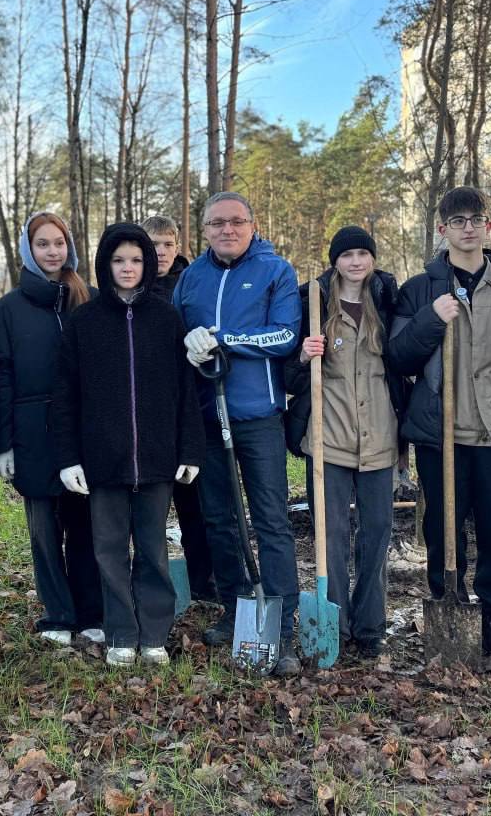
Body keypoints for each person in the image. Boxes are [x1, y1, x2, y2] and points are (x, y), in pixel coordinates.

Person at [388, 190, 491, 664]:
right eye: (458, 220)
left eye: (477, 219)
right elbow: (397, 355)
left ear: (489, 226)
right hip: (443, 435)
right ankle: (446, 606)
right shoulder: (420, 288)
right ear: (443, 230)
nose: (468, 228)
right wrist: (431, 320)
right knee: (442, 530)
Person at [51, 223, 205, 666]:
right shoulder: (85, 322)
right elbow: (65, 395)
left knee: (154, 549)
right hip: (104, 461)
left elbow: (184, 389)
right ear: (105, 264)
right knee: (109, 550)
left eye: (136, 260)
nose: (128, 268)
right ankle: (121, 632)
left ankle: (154, 632)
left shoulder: (166, 318)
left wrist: (190, 449)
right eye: (119, 260)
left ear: (149, 265)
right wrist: (68, 458)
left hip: (157, 459)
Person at [173, 191, 302, 676]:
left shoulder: (275, 271)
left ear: (252, 225)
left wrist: (227, 341)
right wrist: (187, 345)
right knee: (220, 519)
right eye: (216, 223)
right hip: (206, 417)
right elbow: (175, 331)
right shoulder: (192, 278)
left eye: (236, 222)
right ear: (203, 229)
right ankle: (236, 607)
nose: (227, 230)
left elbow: (284, 335)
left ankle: (283, 622)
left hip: (258, 415)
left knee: (271, 519)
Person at [284, 226, 408, 659]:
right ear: (334, 260)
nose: (356, 261)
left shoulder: (389, 300)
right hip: (329, 437)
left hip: (379, 436)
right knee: (331, 533)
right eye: (347, 254)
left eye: (363, 253)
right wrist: (302, 356)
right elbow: (287, 375)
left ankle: (370, 624)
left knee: (376, 531)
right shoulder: (312, 302)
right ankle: (331, 620)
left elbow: (405, 357)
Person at [0, 212, 103, 647]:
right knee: (44, 528)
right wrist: (4, 442)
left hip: (82, 428)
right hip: (31, 428)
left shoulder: (88, 298)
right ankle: (58, 613)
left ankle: (92, 610)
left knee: (85, 524)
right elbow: (0, 375)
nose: (52, 251)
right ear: (28, 251)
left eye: (58, 243)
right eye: (42, 244)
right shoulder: (9, 309)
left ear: (69, 247)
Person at [141, 214, 217, 604]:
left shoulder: (190, 285)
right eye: (153, 245)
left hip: (190, 406)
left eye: (168, 244)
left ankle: (204, 581)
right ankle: (151, 585)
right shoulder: (132, 287)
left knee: (196, 506)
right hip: (147, 412)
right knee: (151, 508)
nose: (162, 252)